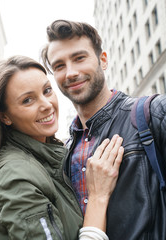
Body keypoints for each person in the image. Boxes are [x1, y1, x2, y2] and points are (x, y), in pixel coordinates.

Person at [41, 19, 166, 240]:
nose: (70, 73)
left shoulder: (154, 113)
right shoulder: (65, 151)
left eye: (79, 58)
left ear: (103, 60)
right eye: (59, 66)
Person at [0, 55, 124, 240]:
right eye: (28, 100)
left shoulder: (48, 156)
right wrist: (98, 197)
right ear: (5, 117)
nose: (47, 105)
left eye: (47, 90)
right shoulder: (17, 178)